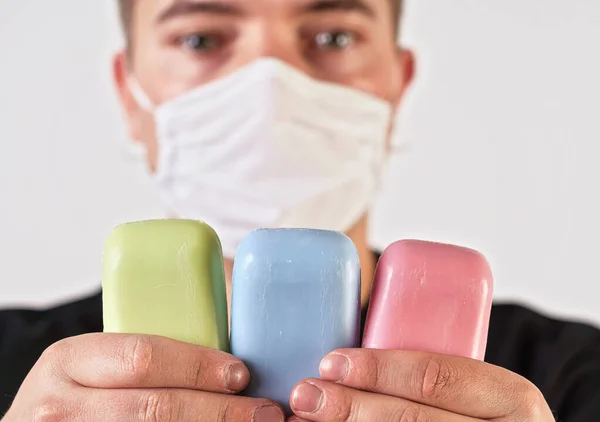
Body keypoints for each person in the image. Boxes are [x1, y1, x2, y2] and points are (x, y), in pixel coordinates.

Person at [1, 0, 599, 420]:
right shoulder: (18, 374)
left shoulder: (576, 375)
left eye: (333, 36)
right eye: (201, 38)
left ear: (398, 85)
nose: (269, 87)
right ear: (128, 95)